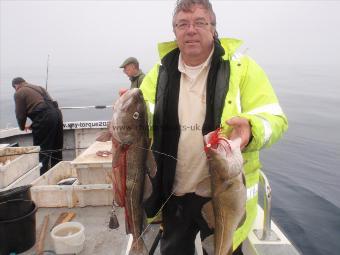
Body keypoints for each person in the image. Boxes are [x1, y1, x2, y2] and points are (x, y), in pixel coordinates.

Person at [140, 0, 288, 254]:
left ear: (214, 28)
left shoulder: (243, 69)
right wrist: (127, 122)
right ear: (174, 32)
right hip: (174, 192)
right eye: (182, 24)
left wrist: (251, 130)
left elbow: (275, 119)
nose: (191, 30)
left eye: (200, 22)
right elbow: (143, 116)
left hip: (224, 194)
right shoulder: (158, 73)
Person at [12, 77, 63, 175]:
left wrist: (22, 127)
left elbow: (20, 114)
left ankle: (41, 176)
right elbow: (46, 108)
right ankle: (58, 174)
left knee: (42, 151)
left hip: (44, 118)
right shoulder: (39, 87)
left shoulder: (19, 92)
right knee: (57, 148)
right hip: (57, 114)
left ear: (16, 86)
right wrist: (33, 124)